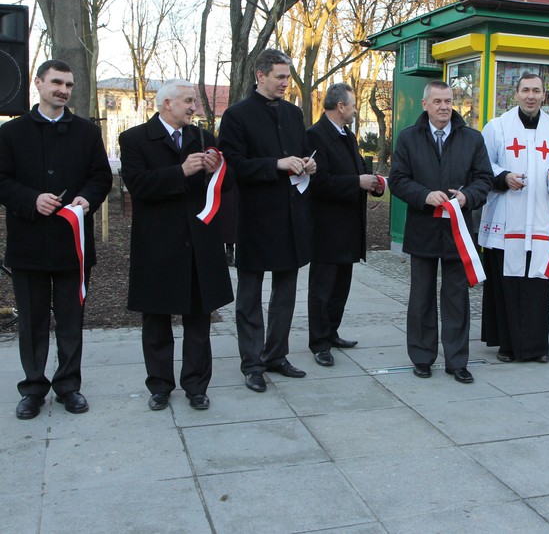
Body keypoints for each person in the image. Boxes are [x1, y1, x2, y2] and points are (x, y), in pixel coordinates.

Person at [0, 59, 112, 419]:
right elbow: (1, 181)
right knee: (32, 321)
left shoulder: (86, 132)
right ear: (38, 83)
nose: (63, 90)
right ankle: (33, 388)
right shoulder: (11, 133)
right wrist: (30, 199)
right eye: (57, 83)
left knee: (70, 319)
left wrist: (87, 199)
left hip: (72, 246)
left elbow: (101, 177)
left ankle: (68, 386)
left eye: (69, 84)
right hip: (28, 245)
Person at [119, 80, 234, 411]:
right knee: (156, 320)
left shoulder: (204, 139)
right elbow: (138, 185)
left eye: (194, 101)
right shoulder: (135, 139)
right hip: (157, 244)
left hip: (199, 244)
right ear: (166, 103)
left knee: (198, 320)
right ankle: (159, 385)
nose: (193, 107)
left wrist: (217, 172)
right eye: (188, 101)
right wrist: (180, 171)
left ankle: (197, 385)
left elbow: (226, 187)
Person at [219, 49, 316, 393]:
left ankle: (276, 354)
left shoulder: (293, 114)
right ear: (260, 76)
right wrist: (276, 164)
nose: (285, 84)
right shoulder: (236, 115)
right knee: (249, 296)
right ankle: (252, 363)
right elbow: (232, 164)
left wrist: (308, 164)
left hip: (291, 217)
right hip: (255, 218)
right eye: (279, 77)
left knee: (286, 293)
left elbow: (301, 153)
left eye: (288, 77)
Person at [389, 81, 492, 383]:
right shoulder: (408, 138)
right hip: (422, 230)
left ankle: (457, 360)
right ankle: (421, 357)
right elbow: (397, 180)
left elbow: (484, 179)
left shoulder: (471, 139)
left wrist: (467, 198)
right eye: (437, 101)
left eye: (448, 101)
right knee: (421, 296)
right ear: (425, 105)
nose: (444, 106)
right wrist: (424, 195)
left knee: (456, 297)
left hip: (458, 233)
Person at [479, 72, 549, 364]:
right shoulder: (497, 128)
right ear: (515, 94)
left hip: (539, 219)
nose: (531, 96)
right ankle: (507, 345)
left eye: (536, 91)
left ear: (545, 95)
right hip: (506, 219)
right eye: (525, 90)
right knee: (507, 282)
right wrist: (504, 176)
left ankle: (536, 346)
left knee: (536, 284)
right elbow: (483, 165)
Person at [306, 83, 382, 366]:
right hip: (326, 228)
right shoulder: (315, 136)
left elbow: (357, 172)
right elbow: (318, 182)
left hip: (350, 226)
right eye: (352, 105)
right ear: (340, 106)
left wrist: (372, 183)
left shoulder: (347, 135)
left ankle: (332, 332)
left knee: (341, 286)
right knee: (322, 288)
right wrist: (356, 182)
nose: (355, 110)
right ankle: (319, 342)